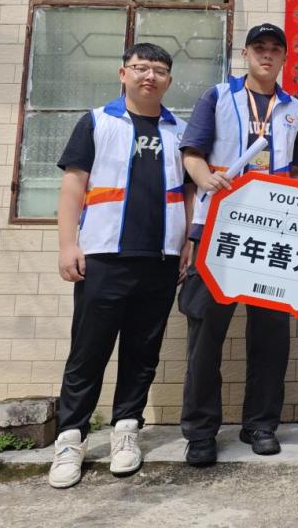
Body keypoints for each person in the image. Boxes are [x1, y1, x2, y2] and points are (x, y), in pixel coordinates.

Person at [48, 43, 193, 489]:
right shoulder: (97, 122)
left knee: (143, 352)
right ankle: (71, 439)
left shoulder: (180, 131)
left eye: (159, 70)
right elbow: (73, 185)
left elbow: (188, 192)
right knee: (88, 351)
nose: (150, 76)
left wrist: (187, 242)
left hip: (160, 259)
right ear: (123, 73)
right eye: (141, 68)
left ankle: (126, 430)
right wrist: (67, 245)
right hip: (104, 256)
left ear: (169, 80)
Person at [178, 23, 298, 465]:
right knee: (206, 332)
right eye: (259, 48)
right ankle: (201, 432)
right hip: (219, 228)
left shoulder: (294, 108)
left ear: (285, 57)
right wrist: (205, 179)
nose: (267, 55)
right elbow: (192, 154)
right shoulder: (217, 96)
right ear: (246, 54)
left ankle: (260, 424)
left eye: (275, 49)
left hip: (273, 236)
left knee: (271, 335)